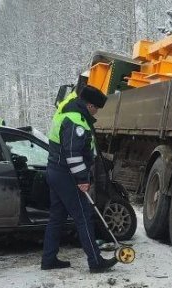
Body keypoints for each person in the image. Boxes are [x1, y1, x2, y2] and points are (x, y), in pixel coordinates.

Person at [41, 85, 117, 273]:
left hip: (55, 171)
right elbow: (73, 154)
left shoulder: (68, 111)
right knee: (83, 216)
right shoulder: (75, 121)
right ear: (90, 105)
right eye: (96, 108)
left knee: (56, 217)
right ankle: (95, 261)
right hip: (67, 175)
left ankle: (48, 259)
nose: (97, 111)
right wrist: (82, 178)